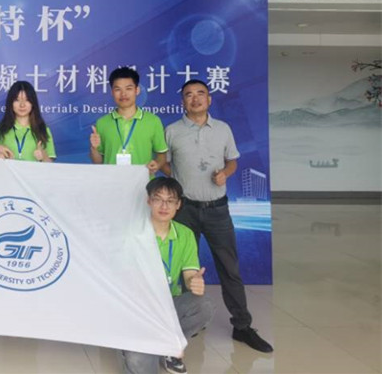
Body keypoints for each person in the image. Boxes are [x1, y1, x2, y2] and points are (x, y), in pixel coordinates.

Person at [163, 79, 273, 353]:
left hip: (217, 210)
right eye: (189, 95)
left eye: (200, 93)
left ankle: (242, 326)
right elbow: (164, 163)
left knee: (229, 268)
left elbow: (232, 160)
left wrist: (225, 173)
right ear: (182, 102)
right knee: (183, 267)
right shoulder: (172, 131)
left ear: (209, 99)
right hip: (184, 210)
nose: (195, 98)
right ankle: (191, 320)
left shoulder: (223, 129)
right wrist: (176, 178)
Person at [119, 177, 215, 374]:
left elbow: (189, 274)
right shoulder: (132, 233)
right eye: (158, 199)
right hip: (139, 308)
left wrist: (194, 281)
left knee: (204, 305)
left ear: (178, 205)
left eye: (170, 201)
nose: (164, 206)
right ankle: (146, 342)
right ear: (148, 201)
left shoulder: (185, 234)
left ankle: (170, 344)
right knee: (138, 362)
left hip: (169, 305)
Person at [89, 67, 166, 176]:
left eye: (128, 88)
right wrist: (94, 148)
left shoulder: (153, 121)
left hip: (143, 183)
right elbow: (98, 162)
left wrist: (157, 164)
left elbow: (162, 154)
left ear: (137, 90)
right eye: (118, 89)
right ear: (112, 92)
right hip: (112, 182)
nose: (123, 94)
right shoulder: (102, 123)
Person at [0, 81, 56, 162]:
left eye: (27, 100)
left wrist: (43, 156)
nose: (22, 105)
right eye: (17, 100)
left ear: (33, 103)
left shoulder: (43, 130)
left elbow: (51, 166)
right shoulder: (2, 131)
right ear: (11, 103)